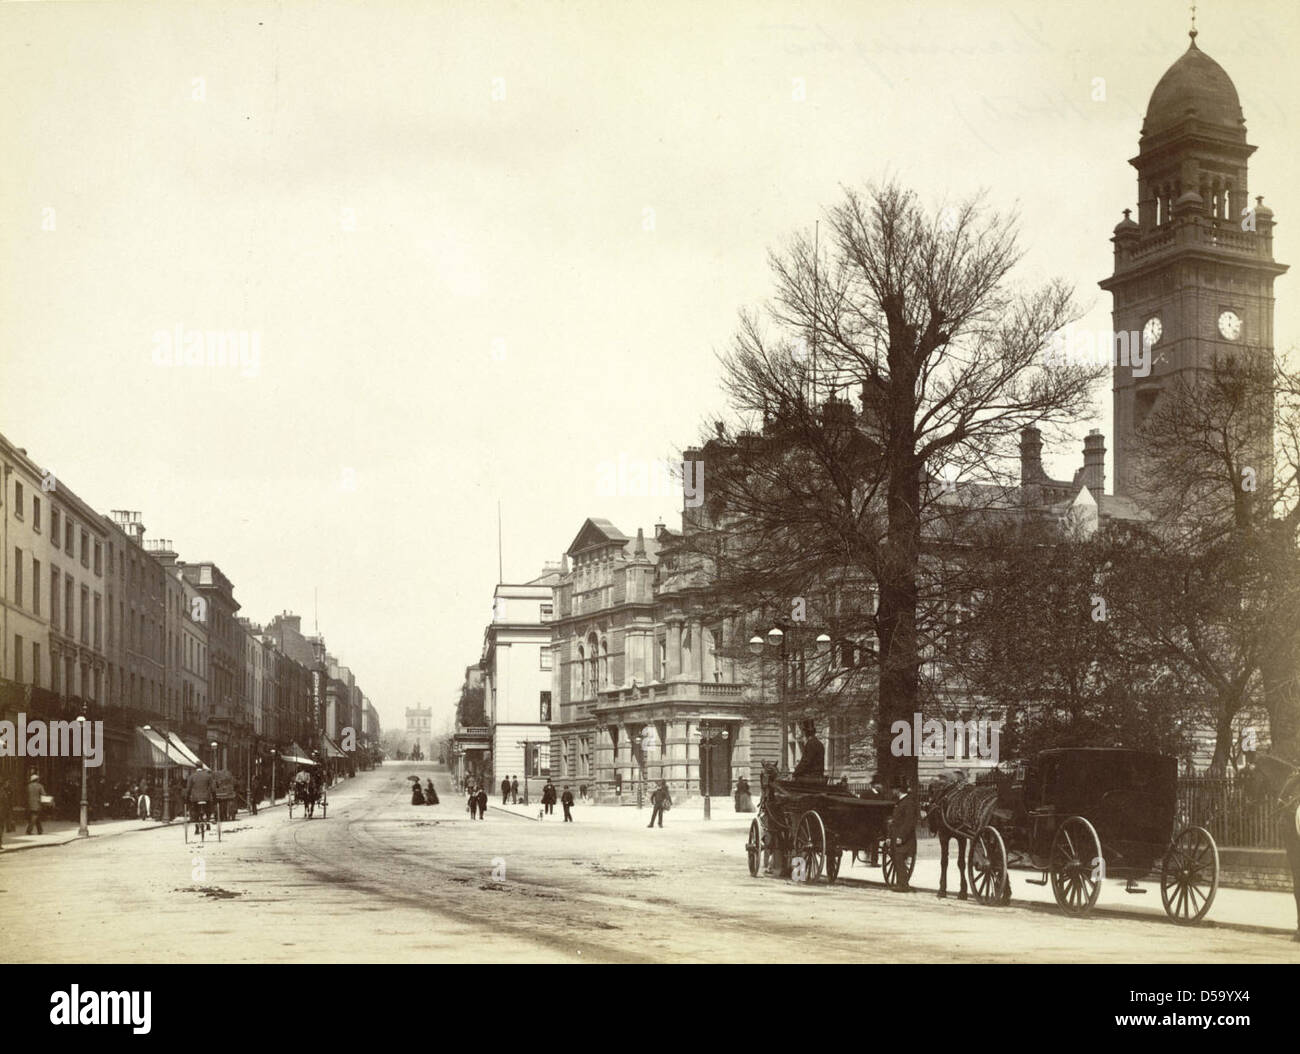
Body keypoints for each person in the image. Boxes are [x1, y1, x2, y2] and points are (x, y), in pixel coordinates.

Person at [887, 779, 919, 892]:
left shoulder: (908, 802)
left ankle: (903, 885)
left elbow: (909, 822)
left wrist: (901, 837)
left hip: (904, 838)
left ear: (898, 790)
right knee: (897, 859)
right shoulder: (901, 801)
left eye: (894, 789)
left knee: (900, 859)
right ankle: (901, 883)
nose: (892, 791)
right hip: (897, 836)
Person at [184, 766, 214, 834]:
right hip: (206, 797)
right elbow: (213, 788)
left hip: (195, 798)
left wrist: (187, 798)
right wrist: (214, 797)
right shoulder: (208, 776)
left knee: (195, 810)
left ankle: (197, 826)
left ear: (196, 768)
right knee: (208, 808)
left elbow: (188, 789)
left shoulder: (191, 776)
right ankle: (208, 820)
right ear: (202, 767)